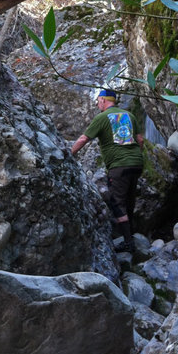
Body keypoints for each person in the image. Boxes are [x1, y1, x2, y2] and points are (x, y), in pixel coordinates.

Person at [71, 89, 144, 253]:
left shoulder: (102, 118)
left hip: (119, 166)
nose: (97, 104)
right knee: (129, 200)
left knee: (116, 202)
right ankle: (130, 234)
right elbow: (140, 139)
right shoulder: (129, 116)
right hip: (136, 163)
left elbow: (83, 139)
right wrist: (135, 156)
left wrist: (69, 154)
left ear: (103, 100)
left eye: (98, 101)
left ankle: (128, 243)